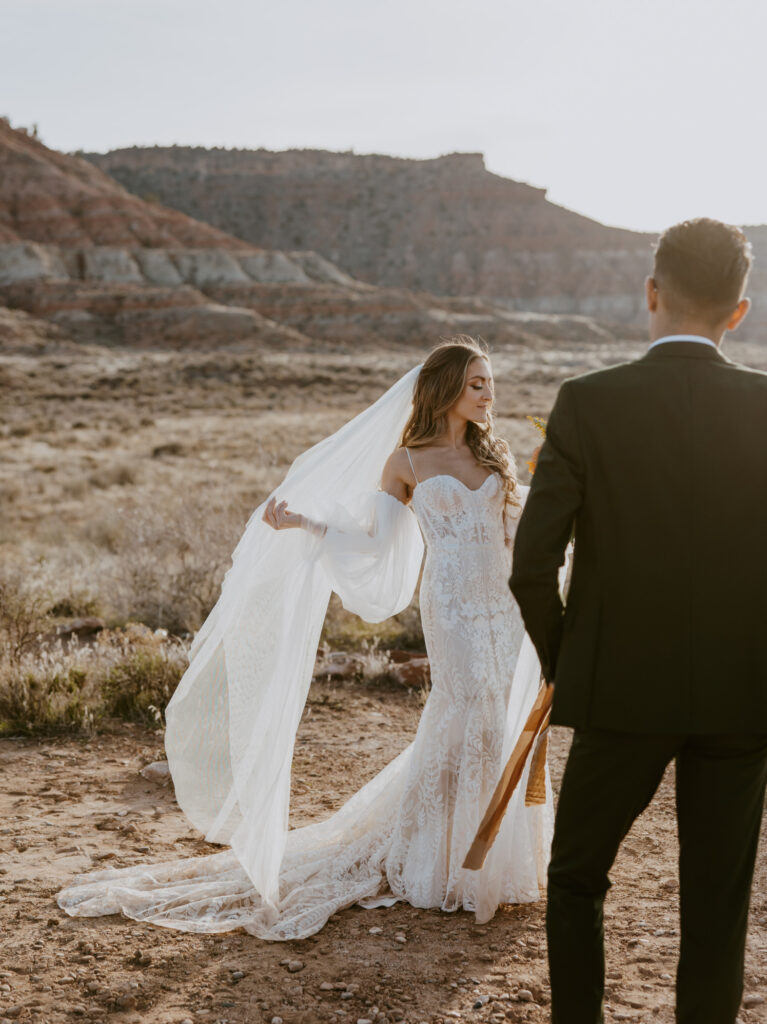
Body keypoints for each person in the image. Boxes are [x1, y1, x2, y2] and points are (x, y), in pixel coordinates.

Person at [57, 337, 552, 940]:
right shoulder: (406, 461)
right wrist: (303, 524)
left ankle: (491, 862)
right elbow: (374, 544)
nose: (488, 393)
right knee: (465, 715)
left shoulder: (495, 457)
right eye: (477, 383)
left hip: (504, 606)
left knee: (497, 719)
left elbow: (517, 534)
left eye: (490, 383)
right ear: (446, 389)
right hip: (451, 608)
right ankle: (440, 862)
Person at [510, 218, 767, 1024]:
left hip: (616, 692)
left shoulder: (586, 403)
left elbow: (529, 565)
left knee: (577, 877)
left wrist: (568, 663)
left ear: (650, 293)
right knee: (716, 906)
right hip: (741, 697)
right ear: (739, 312)